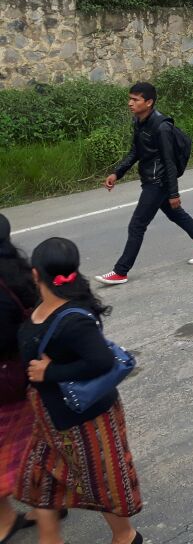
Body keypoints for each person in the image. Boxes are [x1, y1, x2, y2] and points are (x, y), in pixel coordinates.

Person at [18, 237, 143, 544]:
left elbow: (100, 361)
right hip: (51, 417)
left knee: (101, 482)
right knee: (42, 474)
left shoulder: (73, 319)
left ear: (36, 274)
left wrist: (50, 372)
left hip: (85, 421)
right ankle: (50, 538)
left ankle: (126, 537)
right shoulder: (46, 306)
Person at [96, 82, 193, 285]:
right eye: (130, 99)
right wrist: (117, 173)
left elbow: (169, 162)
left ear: (149, 102)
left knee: (137, 225)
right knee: (175, 214)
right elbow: (135, 151)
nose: (130, 103)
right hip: (150, 179)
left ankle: (121, 271)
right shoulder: (139, 121)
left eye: (135, 100)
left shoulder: (162, 127)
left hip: (158, 182)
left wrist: (174, 193)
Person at [0, 215, 37, 543]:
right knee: (34, 441)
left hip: (7, 382)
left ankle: (6, 519)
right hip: (28, 374)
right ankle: (47, 503)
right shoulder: (22, 272)